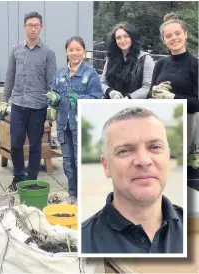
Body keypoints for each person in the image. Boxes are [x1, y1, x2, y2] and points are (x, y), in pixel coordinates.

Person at [82, 107, 183, 254]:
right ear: (106, 166)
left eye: (155, 147)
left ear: (168, 157)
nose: (143, 161)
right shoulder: (82, 243)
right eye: (125, 150)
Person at [0, 11, 57, 192]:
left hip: (38, 106)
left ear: (41, 28)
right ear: (24, 27)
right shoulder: (16, 50)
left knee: (35, 144)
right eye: (30, 25)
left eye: (36, 25)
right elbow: (9, 77)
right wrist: (4, 101)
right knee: (15, 143)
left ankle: (32, 178)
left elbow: (51, 83)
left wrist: (52, 106)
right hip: (18, 105)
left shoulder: (48, 53)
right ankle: (18, 176)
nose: (33, 28)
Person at [47, 36, 103, 205]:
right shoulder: (60, 74)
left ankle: (84, 195)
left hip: (81, 126)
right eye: (71, 50)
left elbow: (97, 97)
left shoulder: (90, 74)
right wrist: (53, 100)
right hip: (63, 124)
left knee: (81, 161)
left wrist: (80, 99)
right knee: (67, 161)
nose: (74, 53)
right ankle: (72, 194)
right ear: (66, 52)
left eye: (78, 49)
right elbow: (53, 93)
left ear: (84, 51)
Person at [148, 13, 199, 184]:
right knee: (158, 167)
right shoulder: (160, 64)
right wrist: (155, 93)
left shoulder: (195, 64)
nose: (174, 38)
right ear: (163, 40)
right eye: (168, 35)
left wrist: (173, 97)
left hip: (185, 123)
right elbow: (150, 96)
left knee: (177, 170)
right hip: (161, 122)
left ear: (185, 34)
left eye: (177, 33)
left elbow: (197, 103)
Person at [100, 23, 155, 99]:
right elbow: (102, 83)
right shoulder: (110, 59)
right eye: (118, 38)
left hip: (136, 105)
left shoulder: (145, 59)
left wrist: (129, 97)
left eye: (126, 36)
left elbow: (147, 87)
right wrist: (110, 92)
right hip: (112, 102)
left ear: (132, 38)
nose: (122, 40)